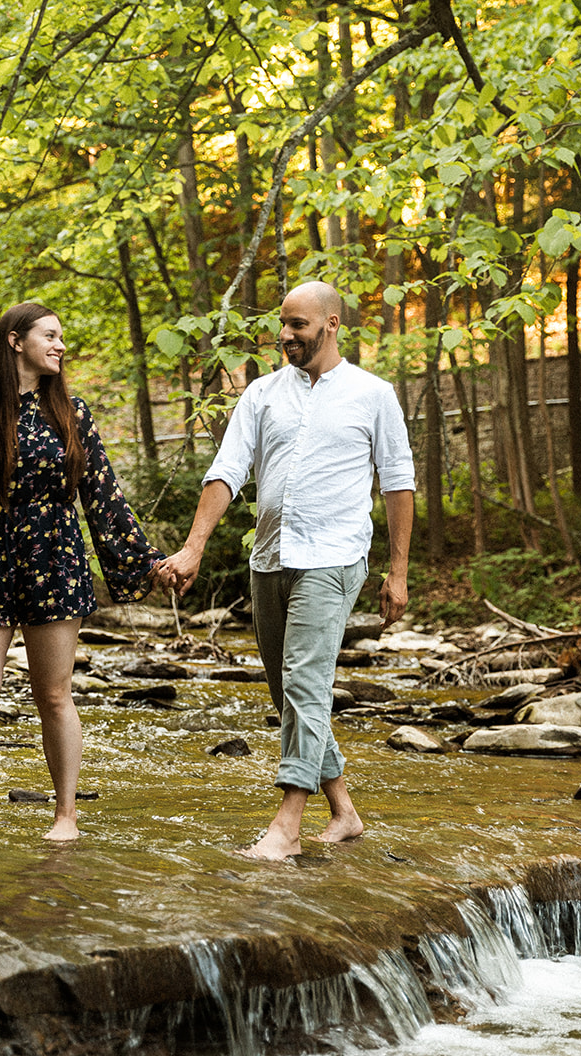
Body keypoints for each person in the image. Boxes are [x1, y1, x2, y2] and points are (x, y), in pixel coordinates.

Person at [154, 280, 415, 861]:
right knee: (289, 694)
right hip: (270, 558)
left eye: (298, 324)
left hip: (334, 556)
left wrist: (396, 572)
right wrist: (194, 547)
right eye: (283, 323)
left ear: (331, 324)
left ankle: (287, 825)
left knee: (303, 683)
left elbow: (398, 482)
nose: (285, 335)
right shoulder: (262, 394)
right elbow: (226, 470)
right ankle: (344, 811)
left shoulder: (373, 395)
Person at [0, 301, 164, 842]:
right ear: (14, 341)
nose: (60, 345)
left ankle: (66, 816)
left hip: (53, 561)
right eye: (49, 335)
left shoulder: (73, 413)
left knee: (52, 694)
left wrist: (144, 564)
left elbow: (103, 496)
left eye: (61, 337)